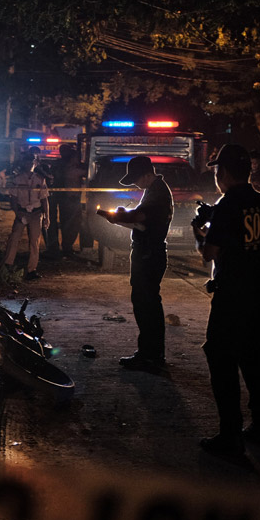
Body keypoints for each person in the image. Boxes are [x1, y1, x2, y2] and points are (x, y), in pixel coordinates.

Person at [192, 144, 260, 457]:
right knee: (254, 360)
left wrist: (200, 230)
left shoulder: (227, 205)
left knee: (220, 358)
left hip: (231, 294)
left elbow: (208, 254)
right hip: (258, 291)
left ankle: (230, 435)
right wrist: (217, 217)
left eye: (216, 171)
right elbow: (246, 234)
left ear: (222, 172)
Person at [98, 156, 172, 373]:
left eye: (136, 180)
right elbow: (141, 224)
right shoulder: (154, 190)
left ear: (147, 174)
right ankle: (150, 353)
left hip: (149, 255)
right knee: (146, 304)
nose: (135, 185)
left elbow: (140, 217)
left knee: (146, 305)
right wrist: (121, 218)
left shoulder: (157, 193)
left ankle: (151, 355)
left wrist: (117, 217)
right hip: (148, 252)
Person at [1, 153, 50, 280]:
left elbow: (44, 199)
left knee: (34, 241)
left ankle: (32, 269)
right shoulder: (17, 179)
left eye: (31, 162)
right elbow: (13, 198)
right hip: (22, 211)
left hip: (36, 213)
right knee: (14, 239)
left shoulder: (40, 179)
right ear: (24, 163)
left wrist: (46, 216)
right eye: (27, 162)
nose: (29, 164)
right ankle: (8, 265)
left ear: (35, 163)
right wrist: (17, 214)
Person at [46, 144, 85, 257]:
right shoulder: (72, 168)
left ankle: (54, 248)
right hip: (70, 198)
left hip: (58, 197)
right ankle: (66, 248)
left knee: (53, 222)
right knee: (70, 224)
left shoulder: (58, 165)